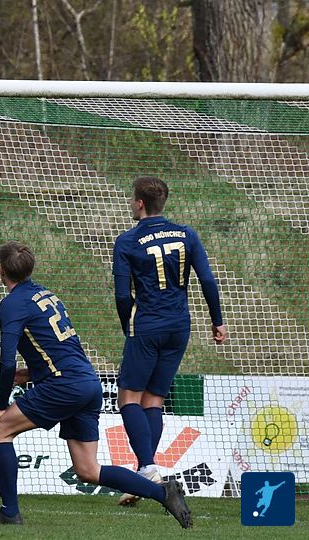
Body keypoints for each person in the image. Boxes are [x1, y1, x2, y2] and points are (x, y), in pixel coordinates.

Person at [0, 241, 192, 528]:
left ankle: (9, 513)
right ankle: (162, 492)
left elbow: (7, 361)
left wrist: (0, 406)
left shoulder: (11, 304)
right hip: (87, 382)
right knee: (88, 469)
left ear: (1, 271)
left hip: (64, 385)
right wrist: (31, 373)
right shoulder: (46, 295)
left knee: (0, 429)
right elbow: (60, 348)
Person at [111, 176, 226, 506]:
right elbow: (207, 279)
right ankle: (143, 475)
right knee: (154, 400)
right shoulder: (187, 234)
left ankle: (147, 469)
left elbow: (122, 295)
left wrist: (129, 325)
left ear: (139, 203)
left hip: (147, 325)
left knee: (128, 398)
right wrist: (217, 320)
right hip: (179, 326)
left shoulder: (128, 241)